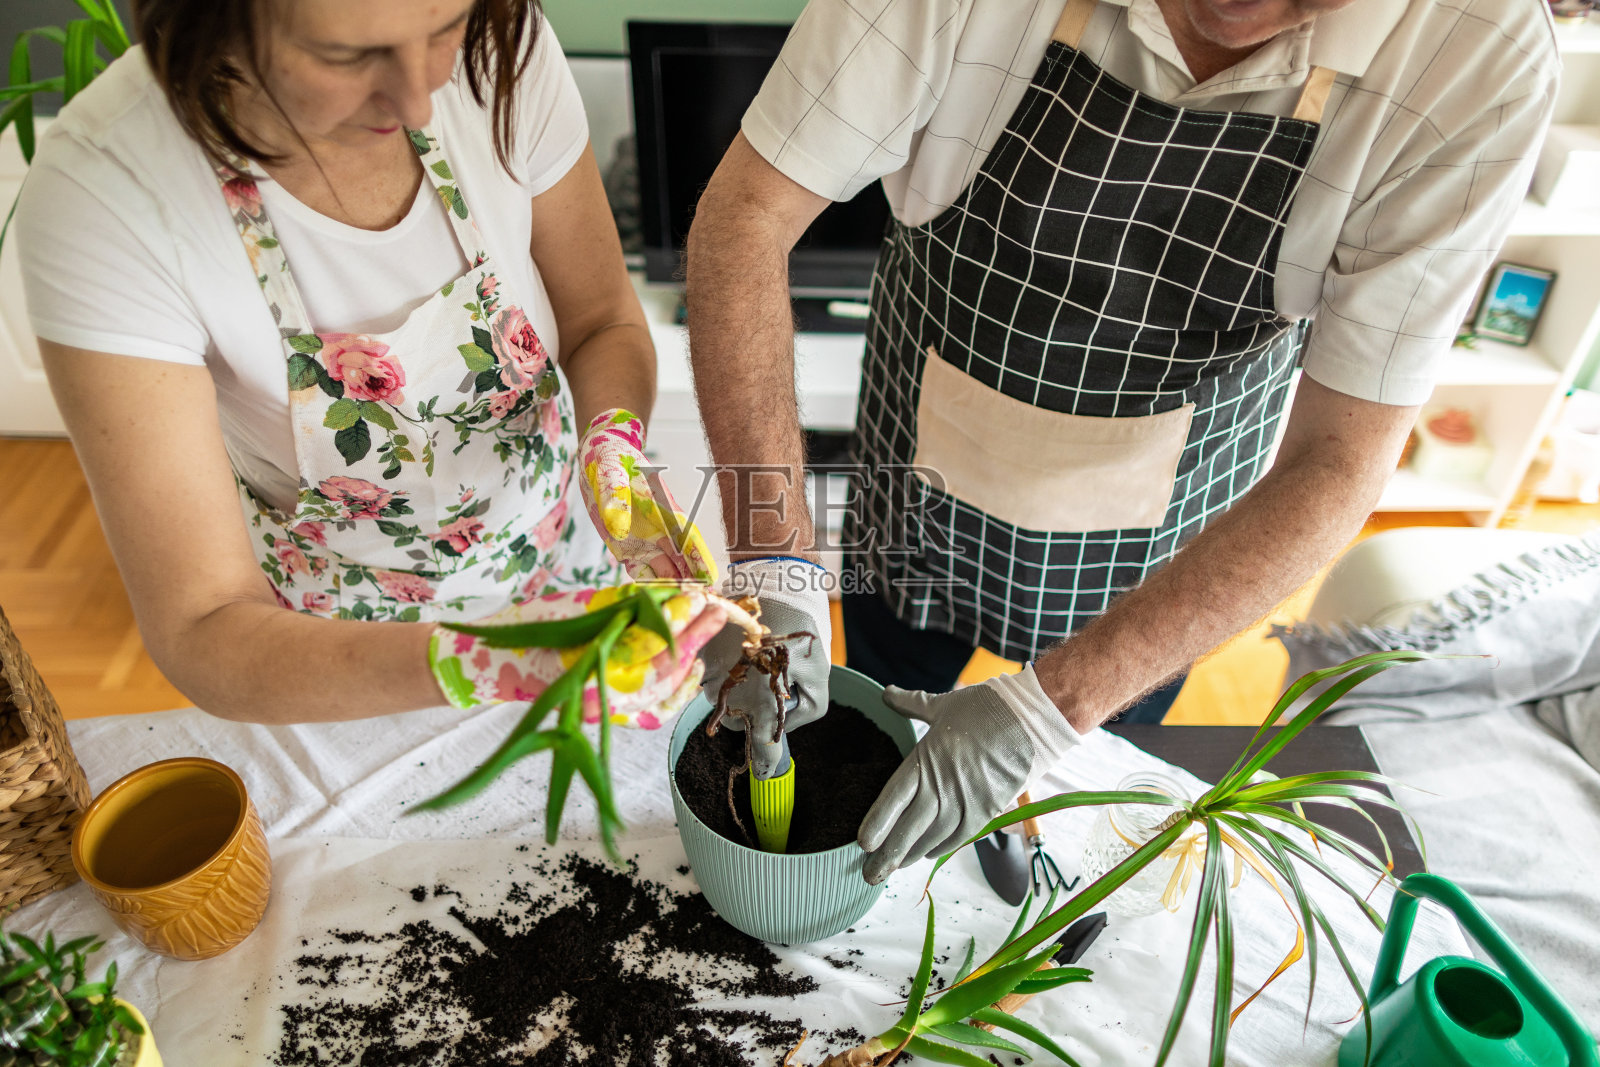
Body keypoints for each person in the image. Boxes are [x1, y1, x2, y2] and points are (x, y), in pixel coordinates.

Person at [687, 0, 1559, 883]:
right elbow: (747, 216)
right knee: (882, 692)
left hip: (1158, 538)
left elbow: (1340, 458)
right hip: (920, 475)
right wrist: (775, 571)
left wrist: (1048, 712)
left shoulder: (1479, 55)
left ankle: (1032, 824)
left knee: (1092, 764)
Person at [16, 0, 721, 727]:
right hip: (335, 660)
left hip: (563, 557)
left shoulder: (500, 45)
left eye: (446, 27)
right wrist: (491, 659)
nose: (421, 96)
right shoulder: (105, 195)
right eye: (347, 56)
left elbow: (600, 319)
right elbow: (205, 622)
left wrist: (611, 450)